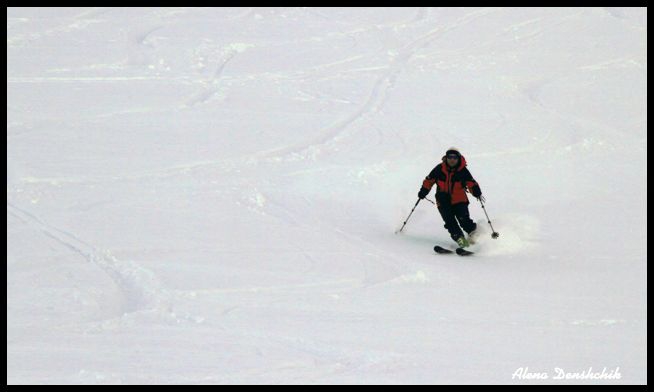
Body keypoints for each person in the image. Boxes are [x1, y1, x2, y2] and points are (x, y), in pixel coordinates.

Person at [417, 147, 483, 248]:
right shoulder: (439, 169)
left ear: (458, 158)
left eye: (455, 157)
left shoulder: (463, 171)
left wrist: (476, 191)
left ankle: (476, 236)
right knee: (449, 222)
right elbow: (429, 181)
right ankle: (460, 240)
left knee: (464, 220)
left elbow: (471, 183)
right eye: (450, 157)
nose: (452, 159)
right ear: (446, 158)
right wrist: (423, 191)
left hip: (460, 200)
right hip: (442, 201)